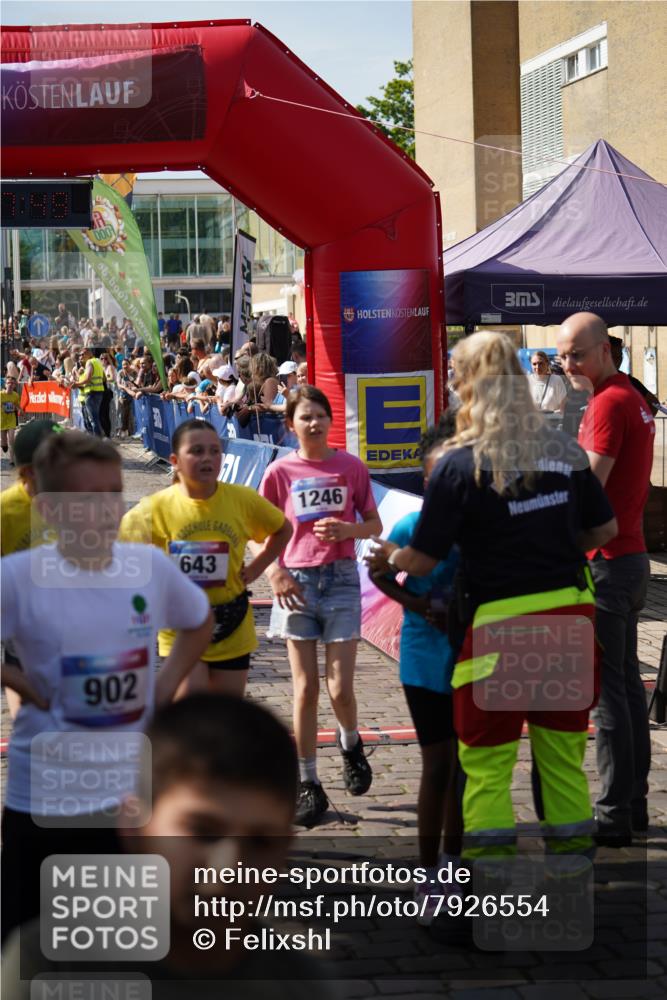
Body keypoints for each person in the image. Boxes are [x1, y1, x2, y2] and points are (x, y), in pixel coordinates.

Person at [370, 332, 617, 870]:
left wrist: (389, 556)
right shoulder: (562, 446)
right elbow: (604, 528)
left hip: (500, 626)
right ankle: (571, 882)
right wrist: (548, 550)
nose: (454, 386)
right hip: (570, 617)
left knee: (485, 767)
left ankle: (490, 893)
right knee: (562, 762)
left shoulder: (460, 463)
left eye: (457, 376)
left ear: (471, 382)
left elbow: (425, 560)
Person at [1, 431, 213, 942]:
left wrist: (163, 689)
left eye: (111, 496)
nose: (101, 512)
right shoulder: (18, 576)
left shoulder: (148, 568)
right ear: (49, 510)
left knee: (125, 950)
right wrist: (22, 684)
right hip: (43, 799)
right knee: (26, 953)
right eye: (84, 500)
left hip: (129, 801)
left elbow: (198, 621)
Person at [2, 694, 338, 999]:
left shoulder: (302, 985)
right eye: (202, 832)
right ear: (135, 826)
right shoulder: (48, 967)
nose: (226, 870)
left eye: (261, 841)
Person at [258, 385, 382, 828]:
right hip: (295, 584)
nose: (313, 423)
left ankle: (351, 744)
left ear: (331, 421)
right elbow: (260, 531)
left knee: (339, 689)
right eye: (304, 417)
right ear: (290, 424)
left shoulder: (351, 467)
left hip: (341, 582)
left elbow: (374, 522)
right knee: (306, 689)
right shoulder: (278, 472)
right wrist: (274, 573)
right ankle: (308, 781)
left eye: (320, 416)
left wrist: (348, 530)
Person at [557, 312, 655, 846]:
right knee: (624, 689)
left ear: (604, 350)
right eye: (563, 354)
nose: (568, 364)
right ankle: (632, 804)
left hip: (608, 561)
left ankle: (615, 813)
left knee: (610, 695)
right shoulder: (631, 399)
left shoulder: (610, 402)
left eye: (576, 354)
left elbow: (589, 490)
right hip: (629, 558)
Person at [119, 420, 291, 698]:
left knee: (225, 716)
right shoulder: (155, 507)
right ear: (174, 460)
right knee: (193, 711)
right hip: (181, 622)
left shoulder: (242, 499)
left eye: (214, 451)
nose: (207, 458)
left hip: (232, 619)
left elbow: (283, 528)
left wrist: (259, 567)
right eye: (196, 451)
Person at [368, 421, 462, 925]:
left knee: (468, 770)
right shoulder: (413, 528)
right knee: (439, 765)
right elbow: (379, 573)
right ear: (426, 481)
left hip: (477, 656)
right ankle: (430, 874)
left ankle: (456, 866)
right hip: (425, 658)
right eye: (438, 475)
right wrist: (421, 606)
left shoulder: (483, 526)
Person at [0, 420, 60, 719]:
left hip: (71, 624)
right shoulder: (5, 510)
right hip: (22, 626)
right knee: (30, 717)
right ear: (27, 471)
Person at [71, 346, 106, 436]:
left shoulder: (90, 362)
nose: (81, 356)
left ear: (90, 353)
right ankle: (95, 440)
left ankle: (95, 441)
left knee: (92, 419)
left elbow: (87, 378)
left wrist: (77, 384)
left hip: (91, 393)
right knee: (94, 419)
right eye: (80, 355)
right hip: (98, 393)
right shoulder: (98, 361)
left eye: (83, 353)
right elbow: (104, 378)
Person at [0, 375, 22, 462]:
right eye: (8, 383)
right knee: (4, 442)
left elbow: (17, 405)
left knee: (11, 439)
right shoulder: (1, 394)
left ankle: (12, 460)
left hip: (11, 420)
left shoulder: (15, 395)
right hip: (2, 420)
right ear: (5, 385)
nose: (10, 384)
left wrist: (20, 410)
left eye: (12, 383)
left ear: (14, 386)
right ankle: (3, 445)